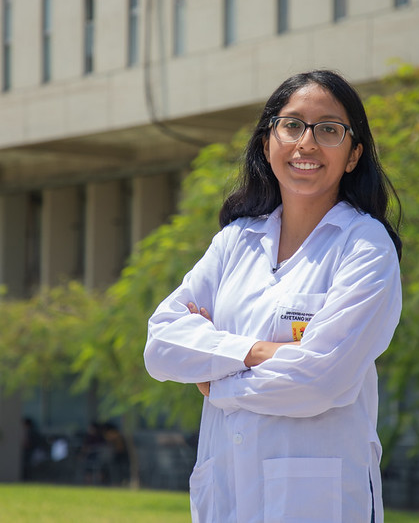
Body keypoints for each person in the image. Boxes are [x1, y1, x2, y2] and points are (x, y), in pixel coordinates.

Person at [144, 69, 402, 523]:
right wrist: (258, 352)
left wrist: (214, 378)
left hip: (317, 503)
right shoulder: (235, 240)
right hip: (225, 493)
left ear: (353, 154)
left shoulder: (365, 245)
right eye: (292, 125)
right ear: (268, 142)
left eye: (328, 130)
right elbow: (161, 345)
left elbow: (323, 380)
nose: (306, 143)